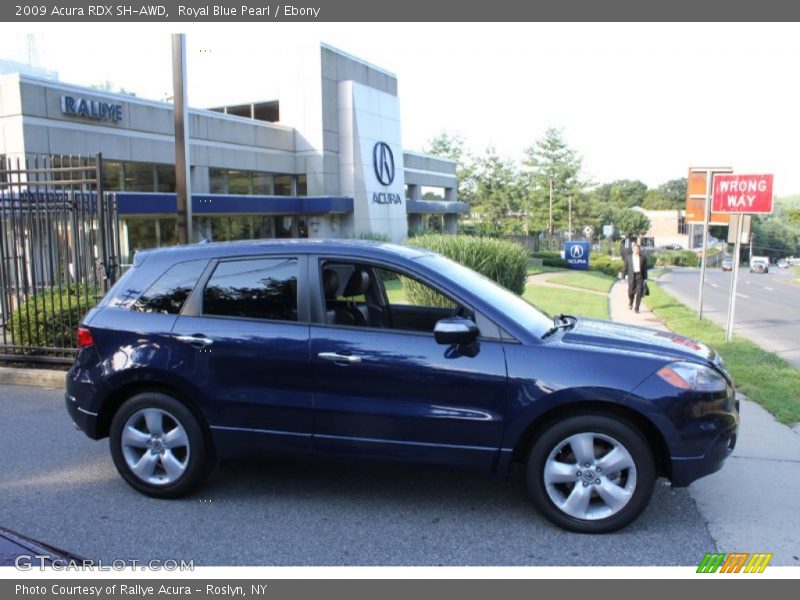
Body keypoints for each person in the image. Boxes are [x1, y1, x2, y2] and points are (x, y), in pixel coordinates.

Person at [626, 243, 648, 312]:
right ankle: (631, 301)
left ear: (639, 250)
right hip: (631, 276)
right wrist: (623, 276)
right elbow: (625, 267)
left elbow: (645, 268)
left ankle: (637, 307)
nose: (636, 250)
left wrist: (645, 278)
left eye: (637, 249)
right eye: (635, 249)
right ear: (632, 249)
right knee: (630, 292)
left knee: (639, 292)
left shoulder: (643, 257)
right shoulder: (628, 257)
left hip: (639, 276)